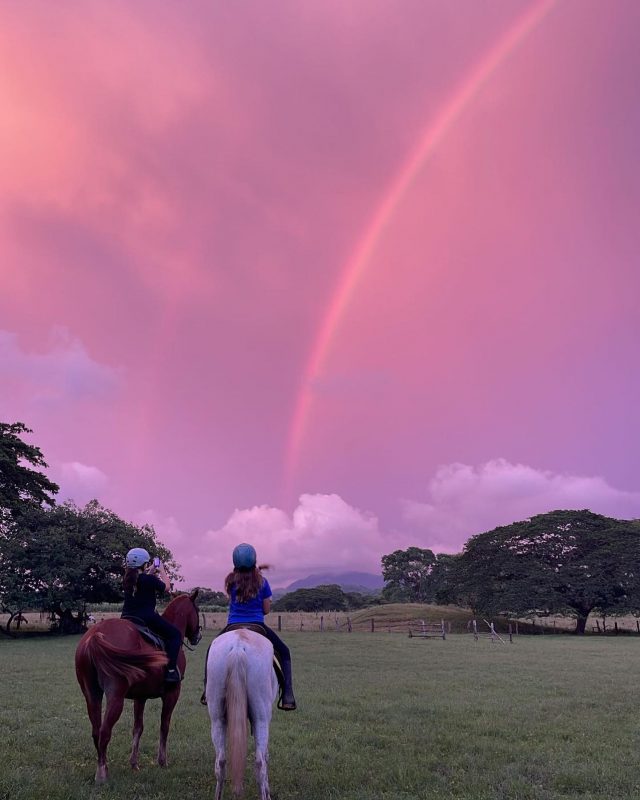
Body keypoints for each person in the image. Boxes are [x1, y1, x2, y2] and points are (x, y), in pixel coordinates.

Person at [224, 543, 297, 710]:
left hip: (232, 625)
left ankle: (207, 691)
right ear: (253, 561)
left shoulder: (230, 582)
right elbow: (266, 610)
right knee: (284, 652)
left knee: (210, 650)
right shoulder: (263, 583)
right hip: (257, 625)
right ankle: (288, 696)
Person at [121, 547, 183, 683]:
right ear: (144, 564)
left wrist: (150, 571)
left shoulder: (126, 579)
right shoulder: (148, 579)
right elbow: (167, 587)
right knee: (175, 635)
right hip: (146, 618)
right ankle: (171, 671)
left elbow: (142, 579)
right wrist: (161, 569)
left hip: (126, 617)